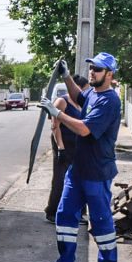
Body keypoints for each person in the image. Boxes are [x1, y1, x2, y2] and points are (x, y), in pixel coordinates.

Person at [37, 53, 122, 262]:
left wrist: (57, 114)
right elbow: (78, 96)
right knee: (64, 214)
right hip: (78, 170)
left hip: (97, 171)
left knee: (101, 219)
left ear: (109, 74)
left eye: (97, 69)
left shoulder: (109, 101)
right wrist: (66, 76)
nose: (92, 72)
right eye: (91, 68)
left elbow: (85, 129)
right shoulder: (94, 94)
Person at [44, 74, 88, 223]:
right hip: (63, 144)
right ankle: (52, 211)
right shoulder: (61, 101)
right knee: (60, 179)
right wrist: (60, 148)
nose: (85, 92)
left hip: (77, 146)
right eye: (84, 89)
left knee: (80, 179)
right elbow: (55, 126)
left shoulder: (80, 103)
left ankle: (79, 213)